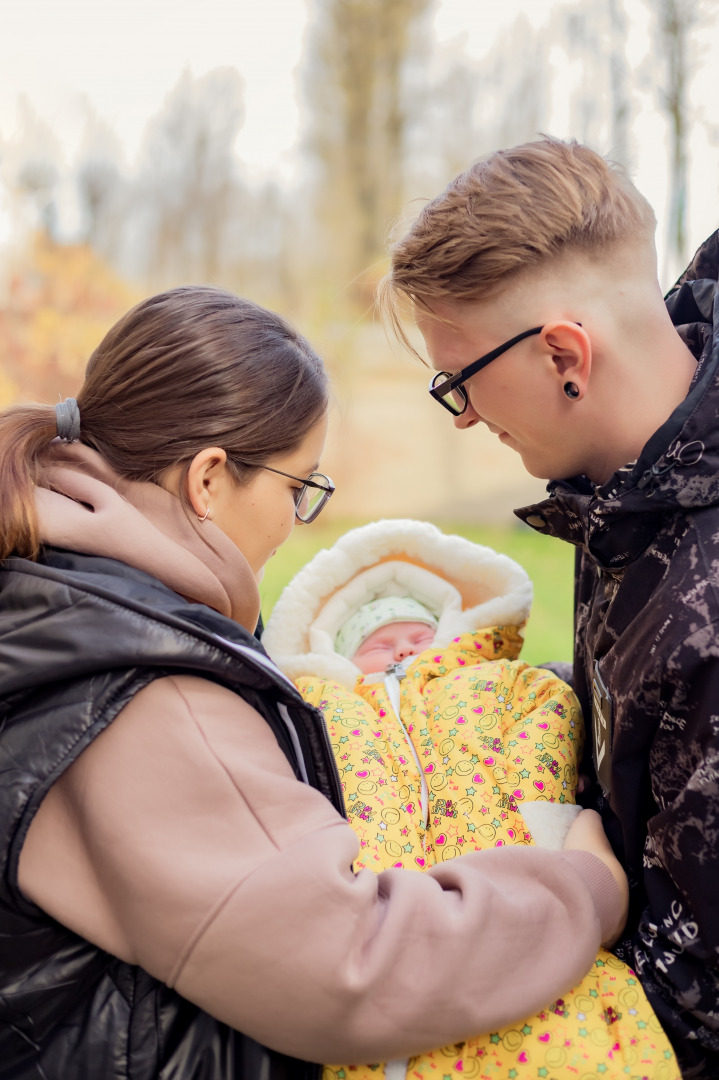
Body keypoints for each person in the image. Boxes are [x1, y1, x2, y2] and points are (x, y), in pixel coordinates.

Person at [0, 285, 627, 1080]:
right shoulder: (146, 692)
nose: (296, 518)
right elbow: (348, 963)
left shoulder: (53, 594)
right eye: (299, 488)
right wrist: (582, 888)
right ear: (208, 480)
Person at [379, 136, 719, 1077]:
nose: (461, 417)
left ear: (564, 353)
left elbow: (696, 1005)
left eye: (460, 381)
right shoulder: (633, 484)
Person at [263, 518, 677, 1079]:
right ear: (337, 656)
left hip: (503, 850)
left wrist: (543, 814)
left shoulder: (494, 680)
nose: (401, 653)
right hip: (383, 890)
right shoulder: (329, 709)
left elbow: (550, 713)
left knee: (563, 1031)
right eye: (378, 645)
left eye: (417, 637)